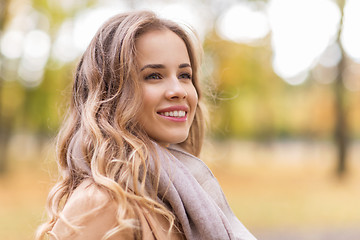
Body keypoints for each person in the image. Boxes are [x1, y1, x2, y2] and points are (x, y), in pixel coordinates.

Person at [36, 10, 257, 240]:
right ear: (111, 93)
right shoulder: (100, 204)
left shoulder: (182, 193)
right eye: (154, 76)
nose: (178, 91)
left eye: (184, 75)